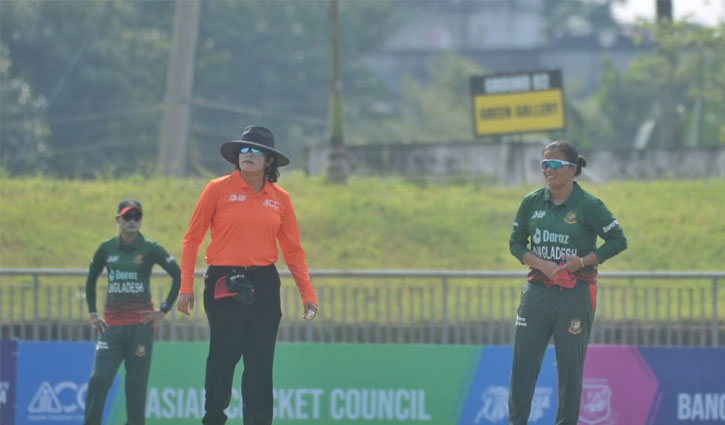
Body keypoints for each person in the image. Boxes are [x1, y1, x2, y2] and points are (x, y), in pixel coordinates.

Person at [177, 125, 318, 425]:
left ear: (269, 160)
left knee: (260, 364)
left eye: (256, 151)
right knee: (223, 358)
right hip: (224, 280)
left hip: (264, 282)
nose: (248, 155)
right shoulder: (217, 189)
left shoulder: (280, 198)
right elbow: (192, 239)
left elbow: (293, 251)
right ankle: (214, 419)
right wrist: (185, 286)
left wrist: (307, 294)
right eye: (244, 149)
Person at [507, 141, 627, 425]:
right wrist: (544, 265)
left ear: (572, 169)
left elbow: (618, 240)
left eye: (555, 164)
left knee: (570, 370)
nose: (548, 170)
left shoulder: (589, 205)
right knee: (523, 366)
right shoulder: (531, 202)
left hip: (576, 294)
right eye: (544, 164)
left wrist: (581, 262)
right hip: (537, 292)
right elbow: (516, 244)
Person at [84, 199, 181, 425]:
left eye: (136, 217)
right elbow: (91, 279)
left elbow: (178, 274)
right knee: (98, 380)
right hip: (111, 327)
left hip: (141, 327)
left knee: (136, 387)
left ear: (141, 220)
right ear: (118, 219)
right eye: (127, 217)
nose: (132, 221)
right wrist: (93, 313)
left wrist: (163, 309)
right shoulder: (106, 248)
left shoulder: (150, 248)